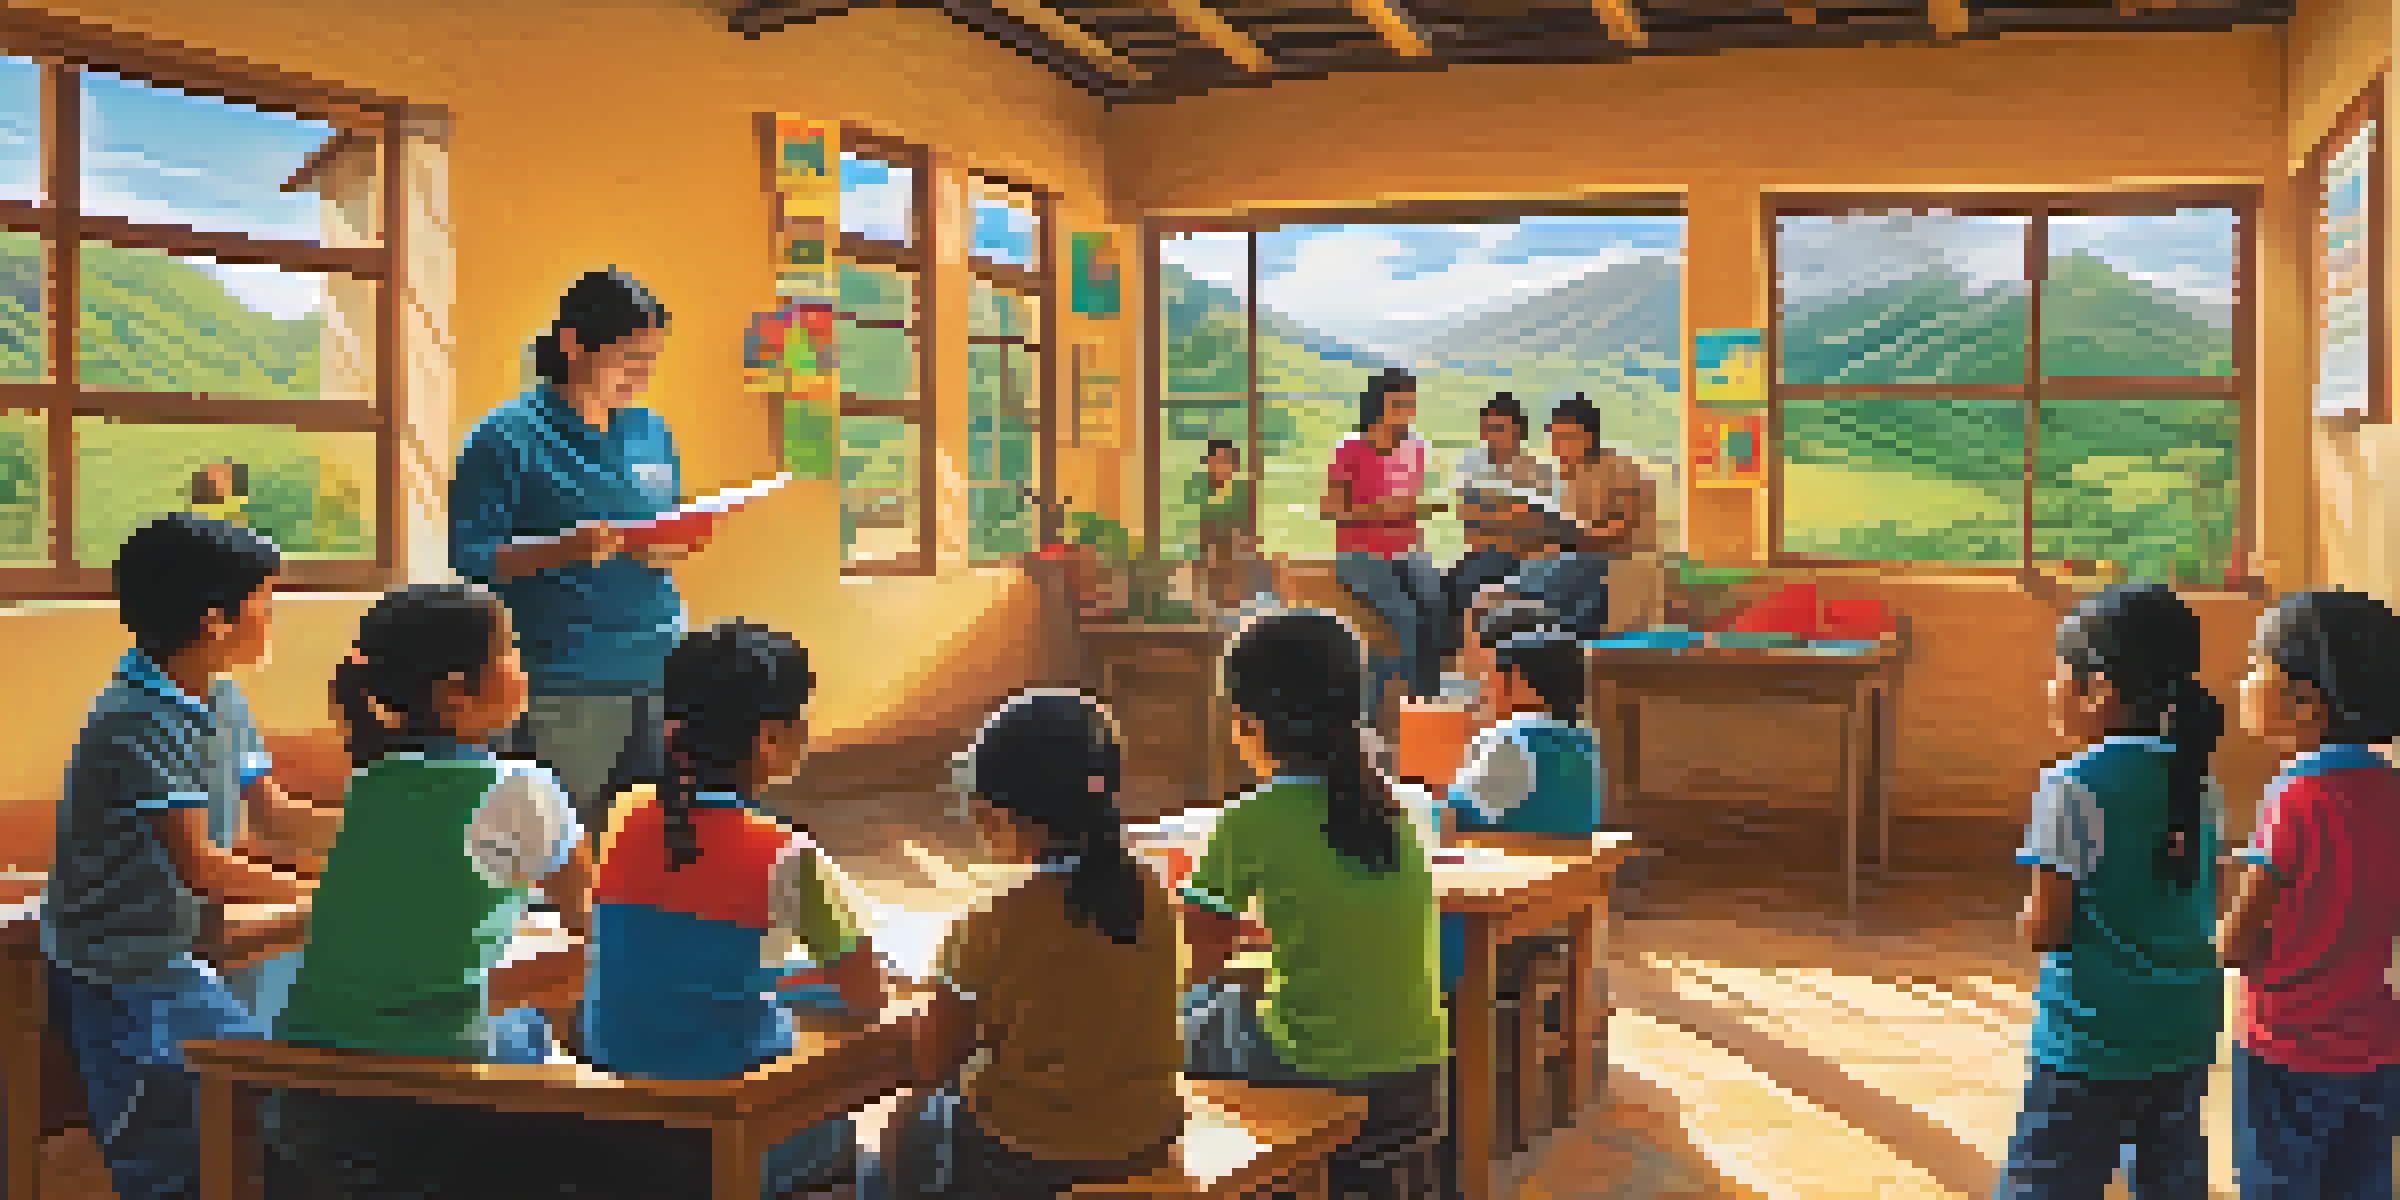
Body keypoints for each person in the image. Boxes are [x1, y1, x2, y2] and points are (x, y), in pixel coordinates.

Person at [271, 583, 600, 1199]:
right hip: (443, 1087)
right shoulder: (522, 787)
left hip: (312, 1084)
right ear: (456, 691)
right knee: (556, 1015)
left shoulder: (371, 782)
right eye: (512, 653)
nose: (524, 669)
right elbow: (587, 916)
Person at [44, 514, 315, 1200]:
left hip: (182, 949)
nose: (272, 618)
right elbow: (202, 866)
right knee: (160, 1146)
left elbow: (277, 814)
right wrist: (326, 897)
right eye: (265, 602)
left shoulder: (220, 693)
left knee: (240, 1115)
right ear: (215, 620)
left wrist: (391, 830)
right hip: (123, 965)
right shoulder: (136, 719)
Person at [580, 620, 884, 1198]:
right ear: (770, 738)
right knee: (888, 1051)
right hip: (731, 1123)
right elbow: (868, 995)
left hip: (618, 1112)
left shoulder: (625, 818)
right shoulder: (788, 856)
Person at [1182, 611, 1448, 1198]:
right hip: (1420, 1080)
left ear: (1244, 720)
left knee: (1187, 1022)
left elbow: (1197, 955)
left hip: (1320, 1072)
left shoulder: (1247, 820)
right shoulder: (1393, 811)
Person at [887, 690, 1184, 1197]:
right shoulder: (1152, 894)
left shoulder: (992, 915)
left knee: (901, 1128)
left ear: (996, 813)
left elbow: (936, 1061)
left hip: (1025, 1152)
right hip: (1146, 1137)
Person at [451, 268, 707, 840]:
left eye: (652, 359)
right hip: (566, 679)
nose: (642, 374)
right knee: (551, 848)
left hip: (661, 666)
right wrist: (562, 549)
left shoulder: (651, 432)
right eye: (629, 357)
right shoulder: (505, 438)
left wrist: (677, 540)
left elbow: (661, 516)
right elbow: (471, 556)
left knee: (650, 840)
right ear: (572, 344)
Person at [1998, 582, 2227, 1200]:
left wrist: (2020, 919)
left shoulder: (2071, 784)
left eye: (2059, 676)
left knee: (2043, 1182)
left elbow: (2047, 928)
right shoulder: (2197, 778)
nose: (2050, 690)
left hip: (2093, 1039)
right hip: (2183, 1029)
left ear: (2098, 689)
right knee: (2169, 1177)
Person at [2220, 590, 2400, 1200]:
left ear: (2302, 703)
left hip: (2288, 1051)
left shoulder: (2292, 796)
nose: (2242, 681)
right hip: (2377, 1049)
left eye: (2253, 665)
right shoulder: (2392, 790)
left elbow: (2236, 942)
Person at [1437, 599, 1602, 991]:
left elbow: (1459, 814)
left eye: (1493, 677)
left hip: (1503, 898)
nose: (1486, 689)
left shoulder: (1510, 739)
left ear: (1520, 683)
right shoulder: (1582, 743)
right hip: (1559, 895)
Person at [1324, 368, 1448, 707]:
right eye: (1399, 403)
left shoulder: (1416, 447)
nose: (1407, 412)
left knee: (1438, 608)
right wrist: (1379, 510)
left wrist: (1417, 509)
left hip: (1408, 549)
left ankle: (1408, 691)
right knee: (1407, 619)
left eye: (1410, 403)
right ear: (1378, 405)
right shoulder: (1351, 448)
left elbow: (1408, 506)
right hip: (1361, 553)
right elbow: (1330, 508)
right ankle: (1419, 706)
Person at [1515, 394, 1655, 640]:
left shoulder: (1620, 468)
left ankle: (1565, 639)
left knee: (1563, 571)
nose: (1557, 447)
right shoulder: (1572, 478)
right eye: (1554, 438)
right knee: (1531, 569)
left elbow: (1623, 529)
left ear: (1588, 438)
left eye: (1565, 438)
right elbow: (1572, 530)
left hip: (1618, 561)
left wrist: (1576, 537)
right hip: (1584, 556)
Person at [1444, 394, 1557, 665]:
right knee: (1449, 587)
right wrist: (1512, 517)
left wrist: (1495, 518)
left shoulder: (1540, 472)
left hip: (1527, 560)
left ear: (1517, 432)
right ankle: (1457, 671)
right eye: (1485, 429)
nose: (1489, 437)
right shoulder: (1472, 464)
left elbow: (1541, 532)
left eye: (1497, 429)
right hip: (1485, 555)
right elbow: (1469, 525)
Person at [1194, 438, 1266, 619]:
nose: (1222, 466)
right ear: (1209, 463)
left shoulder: (1243, 491)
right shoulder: (1202, 494)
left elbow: (1247, 532)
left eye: (1227, 460)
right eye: (1217, 460)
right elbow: (1202, 536)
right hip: (1212, 565)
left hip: (1239, 561)